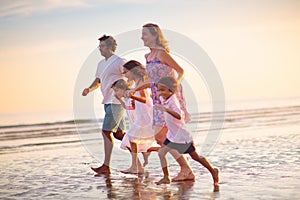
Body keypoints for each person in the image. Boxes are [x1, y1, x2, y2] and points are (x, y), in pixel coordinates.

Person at [128, 23, 193, 181]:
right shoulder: (147, 57)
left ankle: (186, 169)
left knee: (163, 135)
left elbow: (181, 71)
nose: (141, 37)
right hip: (157, 98)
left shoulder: (161, 54)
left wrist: (174, 86)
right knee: (160, 137)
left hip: (169, 98)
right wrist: (135, 90)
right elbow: (151, 79)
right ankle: (186, 168)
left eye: (145, 34)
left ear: (154, 35)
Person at [155, 76, 219, 186]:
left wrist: (165, 109)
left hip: (182, 137)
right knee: (161, 153)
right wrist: (158, 96)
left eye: (162, 90)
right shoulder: (164, 98)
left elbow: (179, 116)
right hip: (172, 135)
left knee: (195, 157)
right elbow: (161, 99)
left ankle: (213, 170)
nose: (160, 92)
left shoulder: (173, 101)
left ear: (171, 90)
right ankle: (166, 177)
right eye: (159, 90)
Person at [82, 35, 126, 174]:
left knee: (106, 132)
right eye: (99, 46)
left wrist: (125, 90)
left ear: (109, 47)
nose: (99, 49)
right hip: (106, 101)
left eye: (101, 46)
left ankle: (106, 166)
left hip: (116, 101)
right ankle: (143, 150)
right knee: (119, 135)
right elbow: (98, 81)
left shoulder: (119, 61)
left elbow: (129, 76)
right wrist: (89, 89)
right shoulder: (101, 64)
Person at [112, 60, 159, 174]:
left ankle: (136, 167)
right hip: (140, 118)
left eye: (126, 72)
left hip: (145, 118)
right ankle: (137, 167)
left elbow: (145, 100)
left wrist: (133, 95)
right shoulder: (136, 84)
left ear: (133, 71)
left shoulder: (141, 83)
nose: (124, 75)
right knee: (131, 141)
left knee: (131, 140)